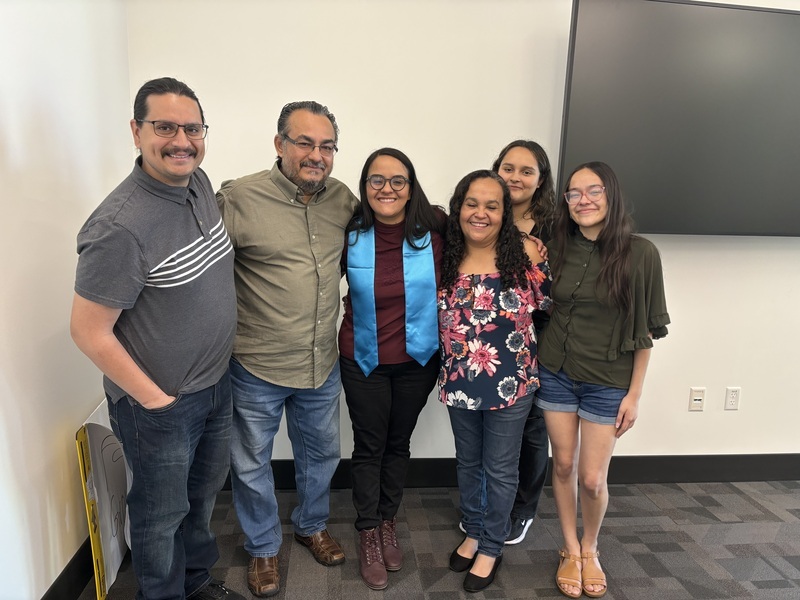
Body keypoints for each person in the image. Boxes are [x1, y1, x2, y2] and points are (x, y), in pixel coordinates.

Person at [70, 77, 242, 600]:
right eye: (164, 127)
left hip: (215, 386)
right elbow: (87, 331)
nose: (181, 140)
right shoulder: (120, 227)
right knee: (159, 515)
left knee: (201, 497)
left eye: (192, 128)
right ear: (136, 131)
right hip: (161, 406)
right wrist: (156, 400)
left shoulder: (196, 183)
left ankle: (194, 584)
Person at [216, 101, 359, 598]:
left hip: (321, 363)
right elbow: (203, 271)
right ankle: (261, 547)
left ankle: (310, 523)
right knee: (251, 463)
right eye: (304, 142)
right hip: (255, 363)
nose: (316, 155)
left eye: (326, 146)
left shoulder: (343, 200)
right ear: (280, 144)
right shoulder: (239, 199)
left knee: (323, 454)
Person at [536, 162, 669, 598]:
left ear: (611, 195)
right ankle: (569, 549)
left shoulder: (641, 252)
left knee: (592, 478)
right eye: (573, 194)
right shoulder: (556, 247)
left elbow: (646, 330)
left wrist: (635, 394)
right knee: (562, 465)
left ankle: (591, 548)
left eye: (593, 191)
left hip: (607, 380)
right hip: (555, 371)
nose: (583, 200)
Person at [439, 170, 551, 593]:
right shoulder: (444, 252)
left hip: (511, 382)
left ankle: (491, 546)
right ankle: (472, 530)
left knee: (500, 469)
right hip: (458, 379)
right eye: (472, 203)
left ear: (506, 213)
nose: (480, 213)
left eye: (492, 205)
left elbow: (549, 308)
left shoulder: (525, 254)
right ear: (459, 208)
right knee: (468, 463)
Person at [338, 148, 446, 590]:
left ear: (411, 185)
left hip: (417, 360)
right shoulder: (347, 231)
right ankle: (367, 530)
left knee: (397, 443)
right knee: (369, 446)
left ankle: (387, 520)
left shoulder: (437, 229)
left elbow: (489, 230)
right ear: (365, 187)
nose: (387, 189)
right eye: (376, 180)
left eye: (397, 180)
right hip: (363, 358)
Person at [491, 140, 557, 544]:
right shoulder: (483, 217)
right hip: (495, 342)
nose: (515, 177)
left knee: (533, 428)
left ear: (540, 180)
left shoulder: (556, 228)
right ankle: (489, 504)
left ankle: (522, 508)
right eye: (508, 168)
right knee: (493, 430)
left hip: (542, 340)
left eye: (526, 170)